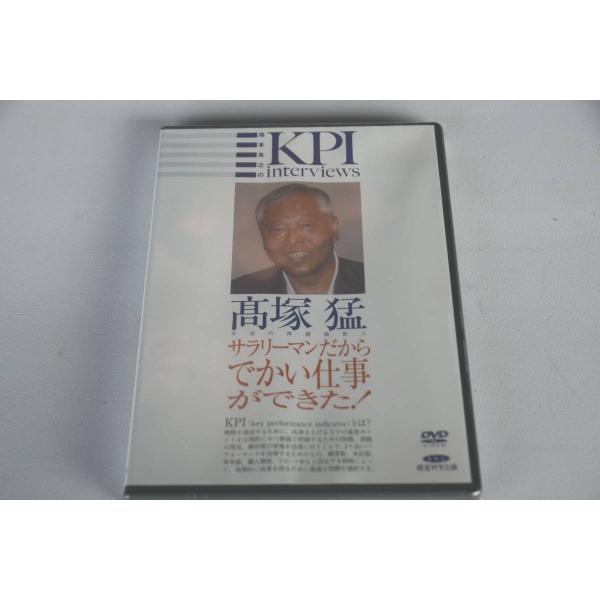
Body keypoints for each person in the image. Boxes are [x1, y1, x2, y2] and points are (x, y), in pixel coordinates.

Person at [231, 183, 365, 295]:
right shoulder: (241, 292)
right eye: (278, 230)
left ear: (334, 228)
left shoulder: (369, 280)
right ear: (263, 237)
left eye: (306, 226)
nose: (293, 239)